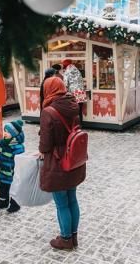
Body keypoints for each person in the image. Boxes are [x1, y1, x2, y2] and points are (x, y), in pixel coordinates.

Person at [39, 77, 86, 251]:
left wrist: (42, 150)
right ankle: (73, 236)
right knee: (72, 199)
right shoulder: (73, 104)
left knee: (62, 203)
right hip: (73, 159)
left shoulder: (49, 111)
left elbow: (45, 144)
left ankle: (65, 239)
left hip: (58, 163)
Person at [62, 59, 87, 125]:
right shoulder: (76, 70)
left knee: (73, 111)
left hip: (73, 94)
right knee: (79, 110)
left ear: (65, 64)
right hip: (80, 93)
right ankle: (80, 124)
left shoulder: (67, 71)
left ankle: (74, 125)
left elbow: (65, 84)